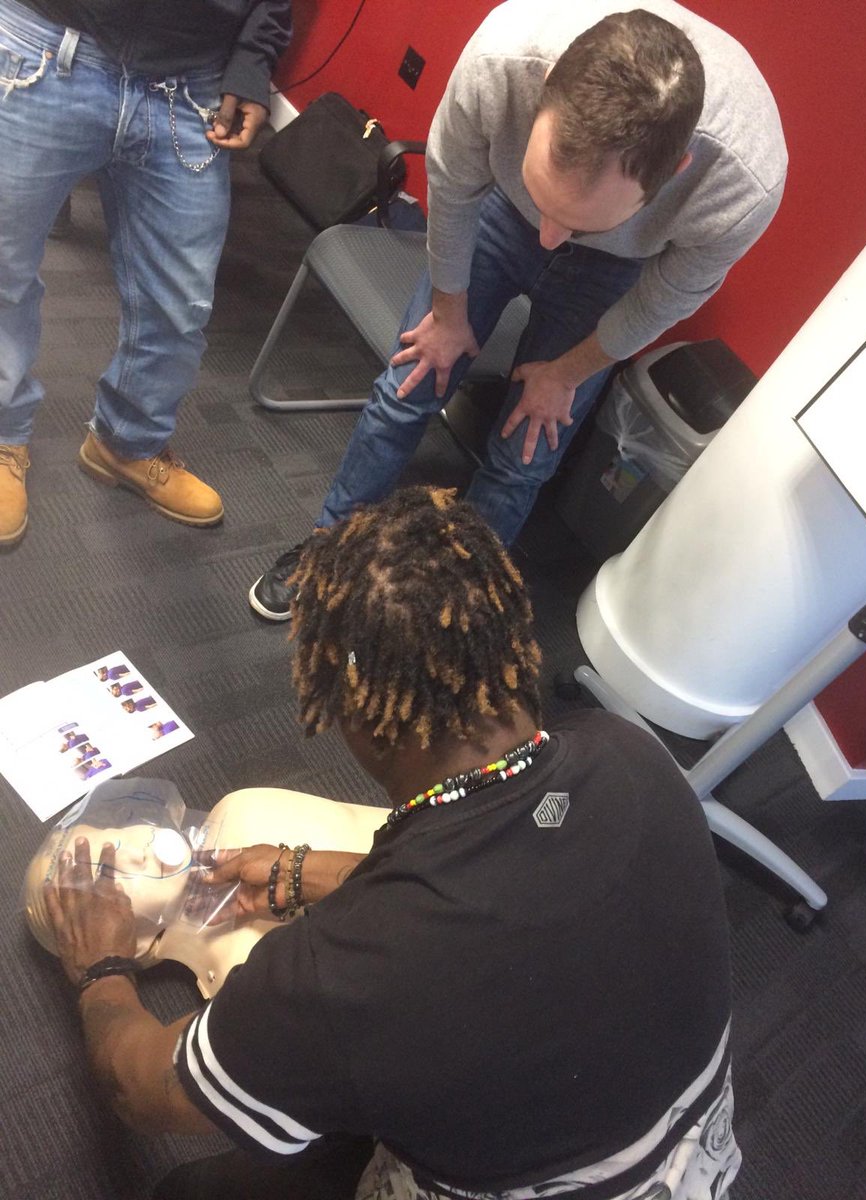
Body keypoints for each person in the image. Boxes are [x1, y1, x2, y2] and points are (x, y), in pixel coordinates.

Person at [45, 486, 739, 1200]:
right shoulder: (629, 753)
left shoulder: (349, 974)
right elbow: (507, 893)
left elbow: (141, 1090)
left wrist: (100, 968)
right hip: (692, 1158)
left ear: (354, 709)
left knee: (192, 1191)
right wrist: (302, 871)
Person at [249, 0, 787, 621]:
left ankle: (451, 607)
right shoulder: (502, 60)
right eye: (547, 201)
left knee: (526, 452)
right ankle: (331, 546)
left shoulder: (742, 183)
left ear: (676, 171)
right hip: (500, 212)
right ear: (542, 93)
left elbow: (666, 297)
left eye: (578, 221)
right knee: (409, 384)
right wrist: (450, 314)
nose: (551, 238)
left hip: (614, 270)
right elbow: (453, 189)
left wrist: (567, 373)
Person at [0, 0, 292, 548]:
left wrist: (254, 59)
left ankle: (126, 443)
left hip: (191, 81)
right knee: (3, 274)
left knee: (180, 303)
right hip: (46, 44)